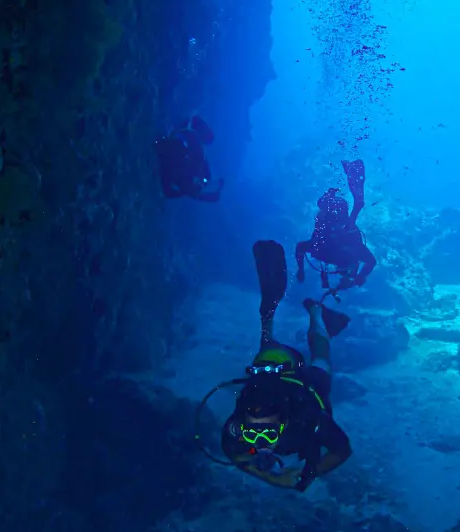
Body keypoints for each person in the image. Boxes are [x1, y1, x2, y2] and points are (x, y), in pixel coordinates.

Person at [221, 240, 352, 491]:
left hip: (300, 380)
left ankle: (316, 313)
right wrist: (274, 479)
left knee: (320, 359)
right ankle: (269, 316)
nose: (260, 442)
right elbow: (232, 452)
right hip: (274, 366)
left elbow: (342, 450)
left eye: (269, 434)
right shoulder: (237, 425)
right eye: (252, 434)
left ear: (285, 423)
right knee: (268, 348)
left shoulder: (308, 418)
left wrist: (308, 474)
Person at [295, 159, 376, 292]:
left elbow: (300, 247)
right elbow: (301, 248)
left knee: (341, 224)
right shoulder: (327, 253)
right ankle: (350, 204)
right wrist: (360, 277)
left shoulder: (323, 252)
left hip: (338, 233)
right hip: (341, 234)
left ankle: (352, 204)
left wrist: (301, 269)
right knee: (344, 225)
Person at [154, 115, 224, 202]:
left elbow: (169, 191)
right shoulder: (193, 140)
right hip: (175, 161)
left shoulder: (192, 139)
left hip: (174, 161)